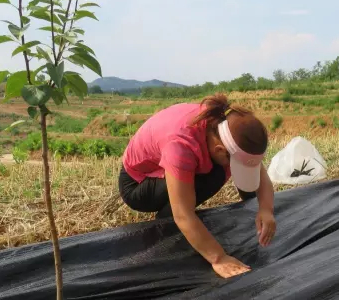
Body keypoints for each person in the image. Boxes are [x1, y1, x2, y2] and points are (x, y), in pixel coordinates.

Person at [118, 94, 276, 278]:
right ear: (220, 150)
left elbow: (259, 171)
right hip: (138, 183)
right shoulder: (181, 146)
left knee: (219, 171)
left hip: (174, 161)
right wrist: (219, 258)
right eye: (233, 163)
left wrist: (266, 209)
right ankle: (165, 221)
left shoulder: (223, 127)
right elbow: (183, 214)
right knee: (213, 176)